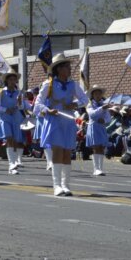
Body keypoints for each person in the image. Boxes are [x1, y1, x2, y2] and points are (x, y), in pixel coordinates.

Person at [35, 53, 88, 196]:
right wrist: (47, 110)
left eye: (69, 66)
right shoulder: (49, 84)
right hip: (54, 120)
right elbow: (37, 104)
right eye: (66, 67)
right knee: (57, 151)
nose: (69, 69)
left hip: (68, 121)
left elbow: (85, 99)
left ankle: (66, 185)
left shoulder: (73, 85)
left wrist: (74, 104)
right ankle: (56, 185)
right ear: (58, 69)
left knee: (66, 152)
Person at [0, 70, 28, 175]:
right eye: (11, 79)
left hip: (16, 118)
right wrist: (5, 110)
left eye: (14, 79)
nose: (13, 81)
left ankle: (13, 164)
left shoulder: (19, 93)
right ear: (7, 81)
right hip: (5, 118)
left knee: (15, 140)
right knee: (9, 139)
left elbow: (22, 107)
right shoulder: (1, 92)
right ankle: (12, 164)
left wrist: (19, 103)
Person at [85, 85, 112, 176]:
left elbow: (108, 117)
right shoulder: (90, 104)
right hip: (94, 127)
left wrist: (104, 120)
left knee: (101, 147)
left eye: (99, 94)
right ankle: (96, 169)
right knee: (96, 147)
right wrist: (102, 108)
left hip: (102, 127)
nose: (98, 95)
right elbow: (92, 114)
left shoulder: (103, 104)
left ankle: (100, 168)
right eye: (96, 94)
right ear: (92, 95)